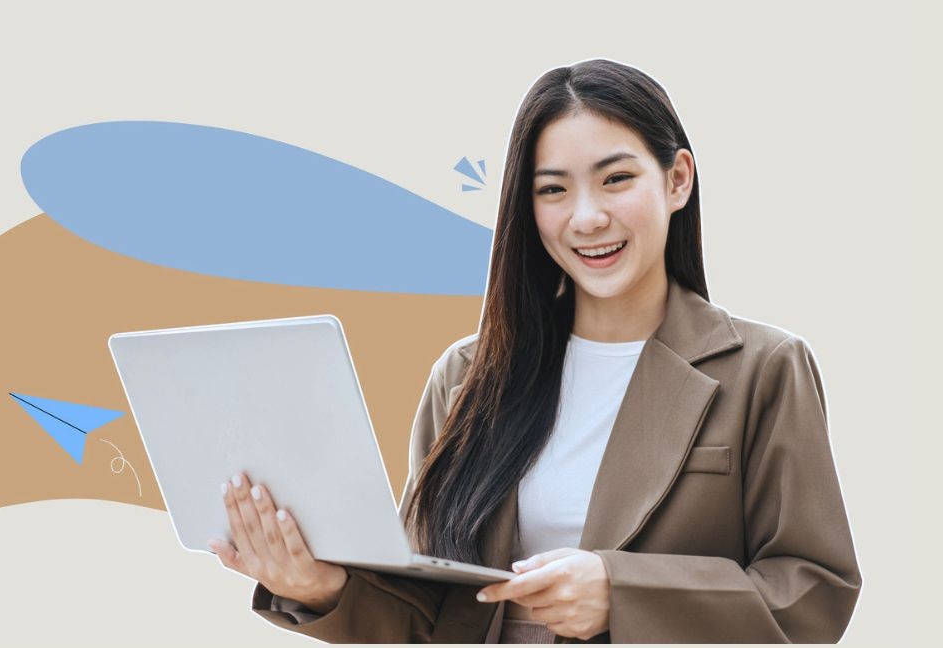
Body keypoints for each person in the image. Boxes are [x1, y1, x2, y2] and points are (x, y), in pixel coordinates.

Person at [207, 58, 862, 643]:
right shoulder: (466, 378)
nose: (586, 217)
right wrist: (321, 588)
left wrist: (622, 594)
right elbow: (428, 615)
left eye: (615, 179)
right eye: (553, 189)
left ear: (677, 179)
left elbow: (814, 594)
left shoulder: (763, 369)